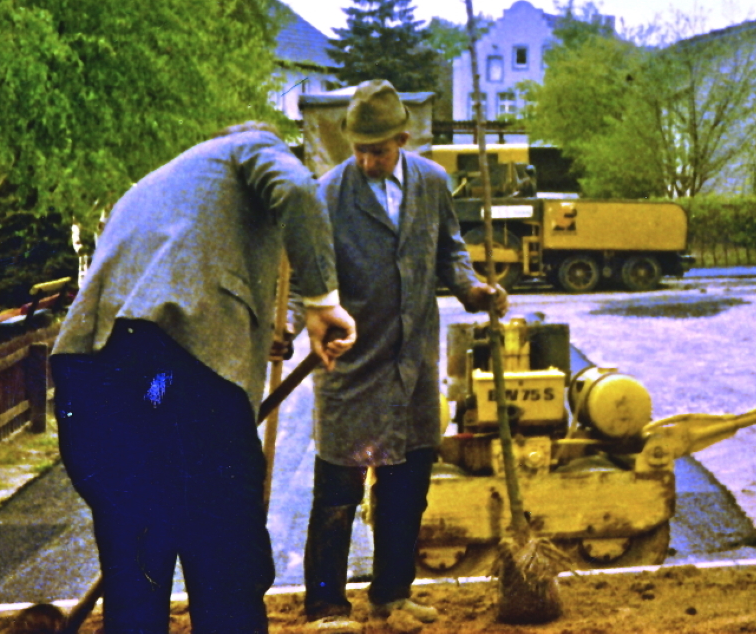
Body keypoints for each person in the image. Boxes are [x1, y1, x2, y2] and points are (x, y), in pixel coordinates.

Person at [51, 123, 357, 634]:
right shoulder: (250, 147)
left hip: (93, 382)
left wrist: (269, 333)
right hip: (171, 379)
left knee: (137, 574)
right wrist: (325, 302)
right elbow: (300, 190)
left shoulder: (156, 185)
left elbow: (171, 283)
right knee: (227, 573)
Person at [298, 80, 508, 634]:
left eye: (378, 149)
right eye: (359, 149)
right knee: (338, 493)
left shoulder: (432, 183)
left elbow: (450, 253)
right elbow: (310, 282)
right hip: (350, 368)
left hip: (413, 366)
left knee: (406, 489)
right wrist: (307, 323)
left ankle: (392, 597)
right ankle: (325, 608)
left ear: (402, 138)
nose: (367, 160)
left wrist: (473, 290)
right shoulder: (325, 195)